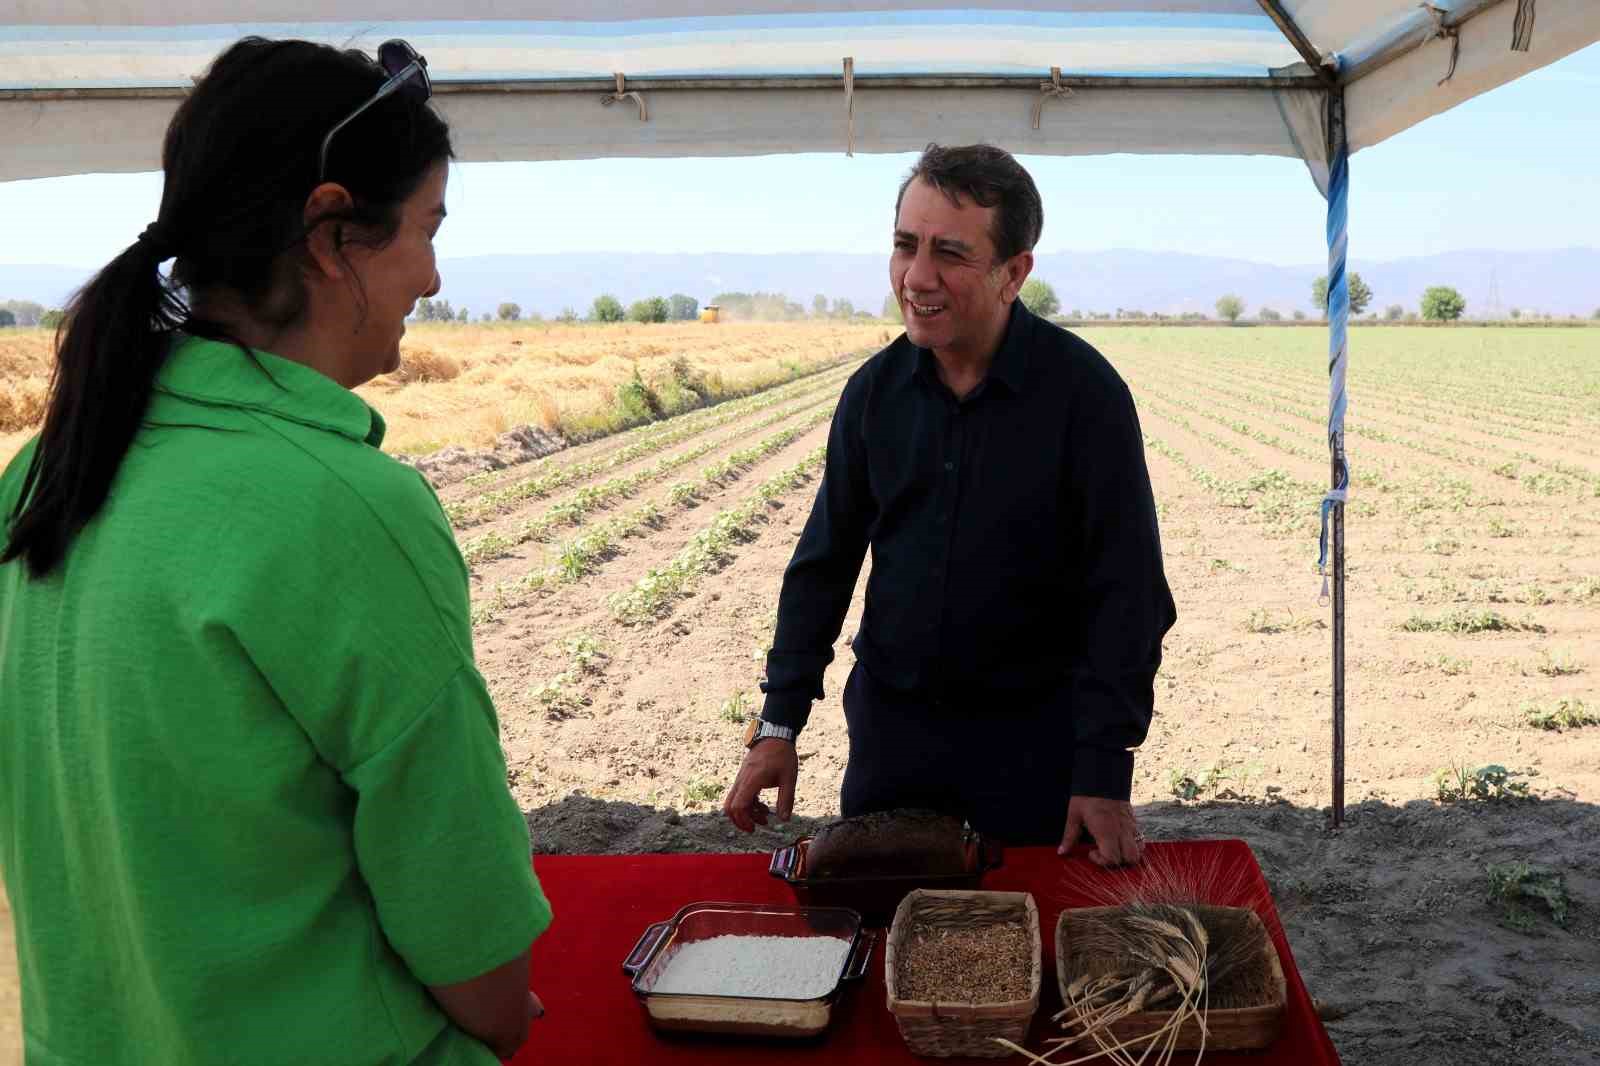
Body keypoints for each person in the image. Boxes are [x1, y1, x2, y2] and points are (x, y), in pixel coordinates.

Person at [0, 38, 550, 1064]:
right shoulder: (346, 506)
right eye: (426, 230)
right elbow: (463, 920)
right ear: (332, 229)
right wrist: (506, 1011)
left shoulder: (43, 474)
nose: (431, 275)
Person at [723, 144, 1176, 866]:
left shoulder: (1085, 398)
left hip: (1033, 751)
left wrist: (1102, 766)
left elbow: (1128, 593)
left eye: (950, 254)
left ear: (1014, 272)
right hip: (892, 744)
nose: (917, 277)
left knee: (1022, 947)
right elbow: (826, 562)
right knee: (885, 933)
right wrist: (779, 722)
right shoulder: (873, 394)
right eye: (905, 246)